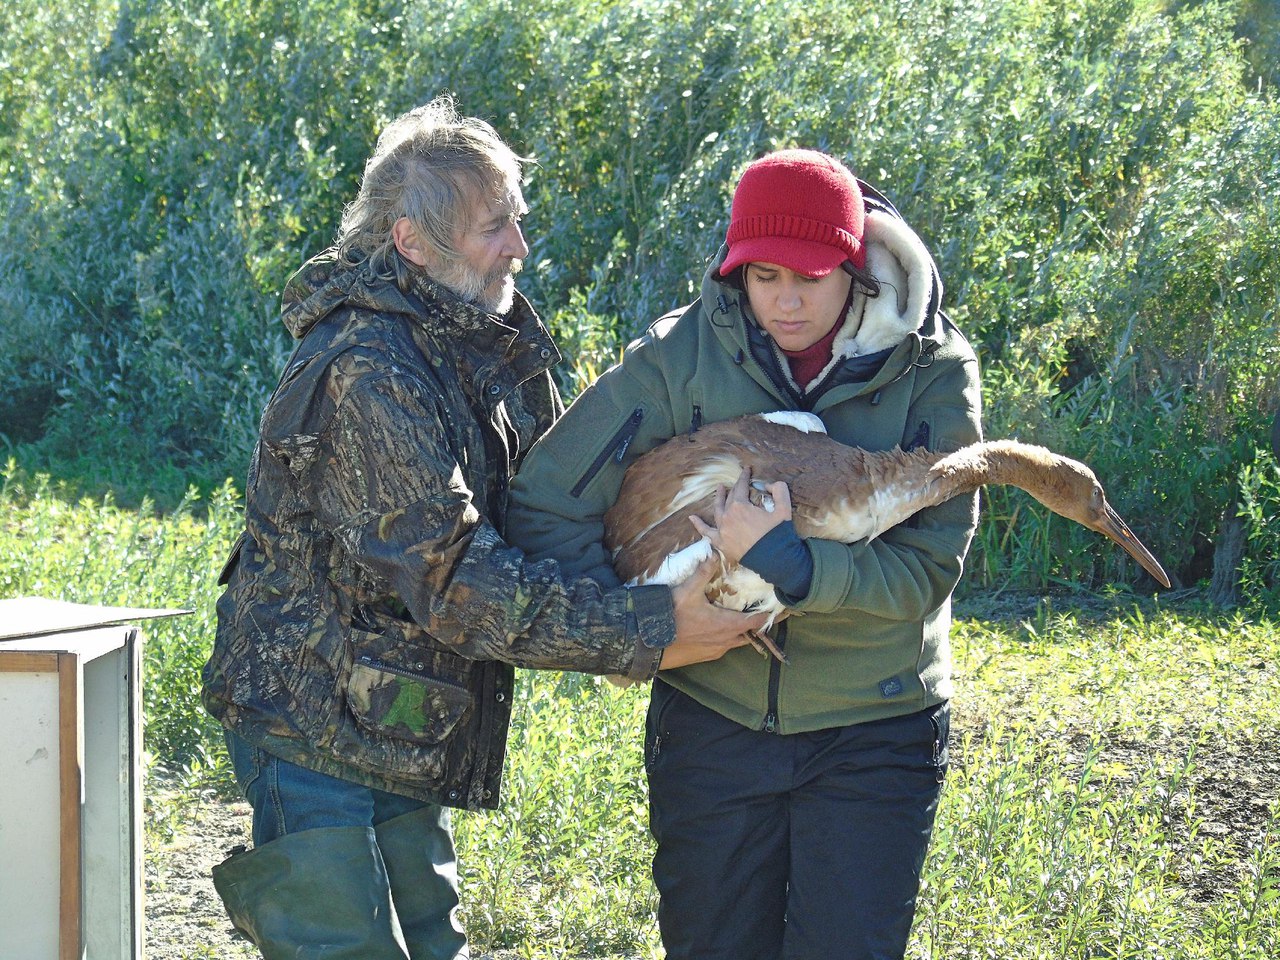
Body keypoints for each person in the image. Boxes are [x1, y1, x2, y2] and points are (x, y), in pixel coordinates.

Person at [200, 97, 765, 960]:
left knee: (431, 941)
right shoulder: (365, 372)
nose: (519, 247)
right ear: (411, 244)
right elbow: (458, 579)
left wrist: (639, 597)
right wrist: (645, 630)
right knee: (342, 944)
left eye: (517, 221)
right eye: (492, 227)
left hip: (398, 711)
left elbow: (548, 509)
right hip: (307, 714)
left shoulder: (481, 340)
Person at [506, 148, 983, 959]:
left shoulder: (932, 371)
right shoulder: (675, 358)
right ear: (734, 273)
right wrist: (641, 625)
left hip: (875, 730)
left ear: (856, 265)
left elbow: (929, 569)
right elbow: (547, 502)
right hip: (712, 726)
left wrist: (800, 571)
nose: (787, 302)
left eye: (811, 278)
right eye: (763, 278)